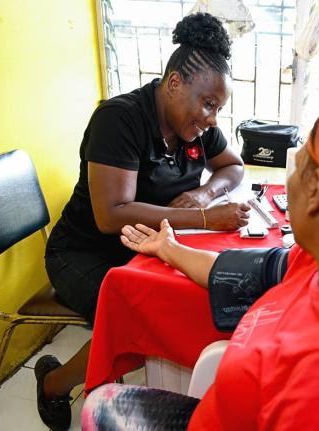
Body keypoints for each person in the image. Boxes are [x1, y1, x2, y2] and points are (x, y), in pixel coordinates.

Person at [81, 95, 319, 430]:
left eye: (300, 159)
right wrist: (169, 248)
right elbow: (233, 272)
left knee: (98, 410)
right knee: (100, 405)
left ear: (317, 188)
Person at [35, 13, 250, 431]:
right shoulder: (119, 119)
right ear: (174, 84)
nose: (211, 119)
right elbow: (110, 214)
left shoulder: (195, 126)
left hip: (148, 246)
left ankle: (173, 391)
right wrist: (203, 217)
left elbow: (235, 167)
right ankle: (55, 384)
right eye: (208, 105)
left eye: (218, 109)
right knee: (139, 317)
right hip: (85, 252)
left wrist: (205, 193)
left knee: (188, 307)